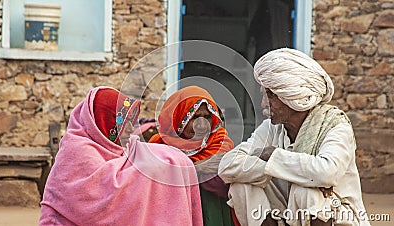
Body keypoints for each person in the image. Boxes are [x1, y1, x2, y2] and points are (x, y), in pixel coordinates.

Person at [218, 48, 370, 226]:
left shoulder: (335, 126)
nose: (263, 104)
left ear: (291, 96)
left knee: (305, 191)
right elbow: (227, 165)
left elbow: (328, 172)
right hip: (288, 214)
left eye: (270, 96)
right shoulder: (271, 128)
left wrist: (274, 157)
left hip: (339, 216)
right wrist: (272, 166)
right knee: (241, 186)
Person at [39, 86, 203, 225]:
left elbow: (146, 154)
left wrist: (172, 158)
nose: (132, 129)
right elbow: (100, 194)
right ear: (104, 124)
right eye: (124, 123)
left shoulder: (121, 144)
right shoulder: (77, 152)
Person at [149, 85, 236, 226]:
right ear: (178, 118)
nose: (201, 126)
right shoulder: (158, 145)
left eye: (207, 117)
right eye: (194, 117)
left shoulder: (220, 142)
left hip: (212, 212)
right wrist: (197, 169)